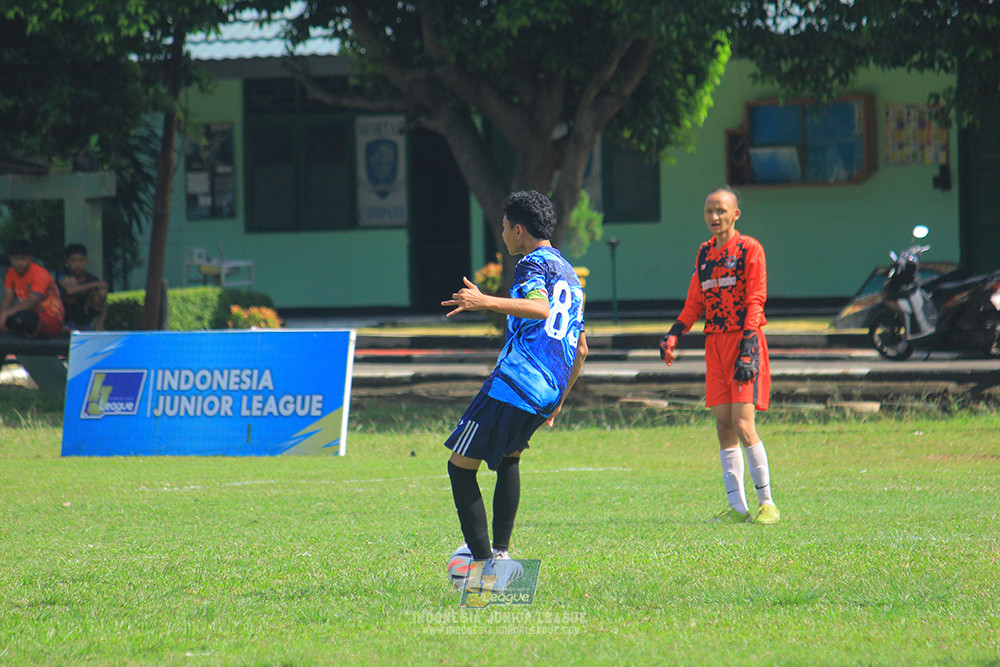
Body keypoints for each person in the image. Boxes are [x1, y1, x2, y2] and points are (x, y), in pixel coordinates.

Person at [441, 190, 588, 588]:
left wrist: (483, 300)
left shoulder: (530, 264)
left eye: (504, 227)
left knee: (459, 467)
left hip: (516, 383)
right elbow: (582, 348)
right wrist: (558, 400)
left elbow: (540, 308)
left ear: (519, 230)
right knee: (509, 457)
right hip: (548, 389)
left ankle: (485, 569)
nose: (503, 234)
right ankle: (501, 554)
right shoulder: (571, 276)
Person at [659, 187, 780, 525]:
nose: (714, 217)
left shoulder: (749, 249)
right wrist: (674, 332)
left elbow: (756, 298)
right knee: (724, 426)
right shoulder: (704, 253)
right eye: (709, 211)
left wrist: (747, 347)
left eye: (721, 210)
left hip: (744, 341)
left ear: (735, 214)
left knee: (743, 423)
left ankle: (767, 503)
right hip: (714, 344)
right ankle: (737, 509)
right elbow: (695, 301)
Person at [1, 239, 66, 338]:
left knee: (23, 318)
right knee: (12, 317)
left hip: (49, 318)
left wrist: (5, 314)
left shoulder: (40, 273)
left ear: (30, 258)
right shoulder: (11, 273)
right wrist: (3, 315)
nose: (19, 263)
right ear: (10, 259)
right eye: (15, 259)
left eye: (23, 259)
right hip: (26, 314)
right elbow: (7, 302)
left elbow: (31, 304)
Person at [55, 243, 109, 331]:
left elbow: (103, 306)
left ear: (85, 261)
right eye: (73, 260)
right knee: (71, 282)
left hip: (84, 320)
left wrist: (99, 326)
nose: (77, 264)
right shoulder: (62, 274)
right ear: (67, 261)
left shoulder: (91, 279)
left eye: (80, 260)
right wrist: (95, 284)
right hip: (64, 317)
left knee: (101, 291)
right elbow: (69, 290)